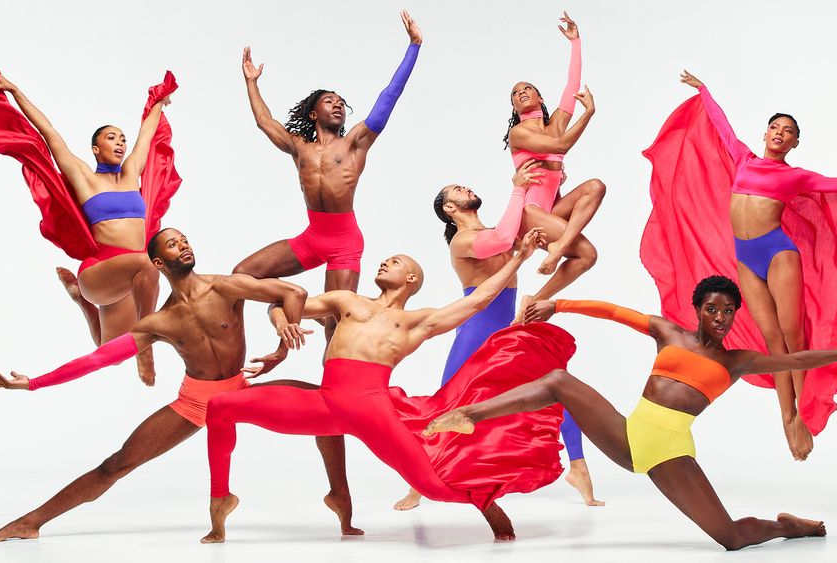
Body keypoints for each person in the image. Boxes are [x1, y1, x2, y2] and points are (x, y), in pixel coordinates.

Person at [425, 275, 837, 550]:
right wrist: (558, 304)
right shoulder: (669, 333)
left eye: (728, 311)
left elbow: (796, 360)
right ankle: (470, 414)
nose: (721, 317)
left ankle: (788, 526)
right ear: (698, 309)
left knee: (730, 538)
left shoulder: (737, 361)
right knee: (557, 382)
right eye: (712, 309)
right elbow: (614, 312)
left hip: (669, 450)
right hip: (630, 436)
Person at [0, 228, 361, 542]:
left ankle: (339, 496)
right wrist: (34, 383)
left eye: (186, 240)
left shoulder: (226, 287)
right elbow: (97, 359)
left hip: (240, 391)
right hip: (195, 403)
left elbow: (293, 292)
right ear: (158, 263)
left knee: (326, 405)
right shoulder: (159, 323)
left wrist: (282, 346)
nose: (184, 246)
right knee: (116, 464)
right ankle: (31, 522)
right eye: (174, 244)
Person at [202, 229, 583, 543]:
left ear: (412, 279)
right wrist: (282, 324)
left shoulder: (417, 321)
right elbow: (281, 301)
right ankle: (221, 499)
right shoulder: (346, 300)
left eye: (396, 261)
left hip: (373, 410)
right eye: (385, 260)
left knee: (433, 489)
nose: (385, 262)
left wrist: (519, 257)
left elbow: (480, 300)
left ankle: (485, 501)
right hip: (325, 403)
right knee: (220, 407)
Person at [639, 71, 837, 458]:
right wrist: (704, 90)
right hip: (746, 259)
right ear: (766, 134)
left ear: (795, 142)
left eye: (788, 131)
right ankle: (787, 418)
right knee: (772, 344)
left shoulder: (796, 177)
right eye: (775, 128)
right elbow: (722, 127)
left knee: (793, 338)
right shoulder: (744, 158)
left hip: (778, 254)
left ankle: (804, 416)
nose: (779, 134)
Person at [393, 161, 602, 511]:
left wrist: (554, 189)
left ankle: (578, 469)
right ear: (450, 208)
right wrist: (518, 187)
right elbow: (505, 239)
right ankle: (417, 485)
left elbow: (537, 227)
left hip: (508, 330)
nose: (466, 188)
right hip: (475, 332)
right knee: (447, 403)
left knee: (557, 390)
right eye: (457, 189)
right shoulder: (462, 241)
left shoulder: (497, 230)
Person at [0, 70, 182, 380]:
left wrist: (159, 102)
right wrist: (15, 91)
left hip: (129, 279)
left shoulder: (131, 173)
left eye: (122, 138)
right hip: (101, 271)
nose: (120, 142)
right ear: (96, 149)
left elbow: (147, 133)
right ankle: (146, 347)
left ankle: (80, 300)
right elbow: (48, 132)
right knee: (149, 263)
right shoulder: (84, 177)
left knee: (112, 355)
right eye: (111, 137)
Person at [233, 10, 423, 334]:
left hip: (344, 242)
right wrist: (251, 82)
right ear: (313, 113)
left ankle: (322, 323)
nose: (337, 105)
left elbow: (389, 96)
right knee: (242, 275)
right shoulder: (299, 147)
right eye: (329, 101)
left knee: (337, 327)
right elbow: (265, 121)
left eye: (341, 103)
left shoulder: (355, 144)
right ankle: (294, 299)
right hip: (312, 238)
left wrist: (414, 46)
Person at [500, 11, 607, 321]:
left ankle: (534, 303)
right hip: (529, 214)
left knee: (595, 190)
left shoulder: (555, 124)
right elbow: (560, 147)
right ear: (514, 107)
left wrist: (575, 42)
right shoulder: (519, 133)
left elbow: (572, 85)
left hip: (550, 211)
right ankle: (558, 249)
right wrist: (588, 115)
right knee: (584, 251)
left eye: (526, 88)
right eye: (515, 93)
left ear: (540, 97)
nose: (521, 93)